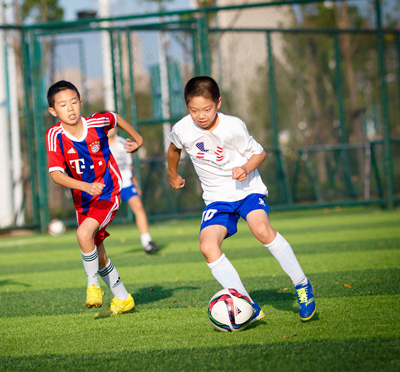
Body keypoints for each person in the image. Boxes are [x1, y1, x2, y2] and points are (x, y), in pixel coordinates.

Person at [167, 76, 316, 324]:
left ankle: (302, 284)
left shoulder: (233, 126)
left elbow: (260, 153)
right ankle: (246, 302)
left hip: (246, 190)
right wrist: (173, 174)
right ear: (187, 107)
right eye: (194, 110)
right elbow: (174, 148)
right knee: (207, 246)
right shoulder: (182, 128)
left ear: (218, 103)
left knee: (261, 229)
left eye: (207, 109)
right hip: (216, 200)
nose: (201, 116)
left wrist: (246, 168)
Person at [46, 80, 143, 316]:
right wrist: (85, 186)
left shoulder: (97, 122)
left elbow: (115, 117)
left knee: (82, 234)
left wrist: (138, 139)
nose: (70, 109)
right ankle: (123, 298)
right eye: (62, 105)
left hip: (108, 192)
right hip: (84, 199)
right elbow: (56, 176)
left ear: (80, 103)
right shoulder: (54, 135)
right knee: (97, 253)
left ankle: (93, 286)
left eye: (73, 102)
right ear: (53, 111)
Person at [107, 127, 160, 254]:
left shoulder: (123, 143)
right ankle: (94, 247)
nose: (110, 128)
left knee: (138, 207)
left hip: (125, 182)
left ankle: (147, 242)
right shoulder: (97, 145)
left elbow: (129, 166)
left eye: (113, 124)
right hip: (108, 185)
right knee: (101, 215)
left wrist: (135, 183)